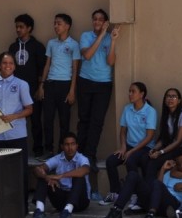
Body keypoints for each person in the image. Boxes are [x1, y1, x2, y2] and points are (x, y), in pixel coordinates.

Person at [0, 52, 34, 213]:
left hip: (17, 135)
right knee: (1, 174)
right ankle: (4, 207)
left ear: (15, 66)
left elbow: (29, 109)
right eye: (5, 63)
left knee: (19, 172)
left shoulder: (21, 84)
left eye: (11, 63)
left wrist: (14, 116)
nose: (8, 66)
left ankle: (22, 207)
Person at [99, 82, 157, 205]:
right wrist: (123, 147)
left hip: (145, 147)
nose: (130, 94)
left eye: (133, 91)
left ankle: (135, 194)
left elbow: (150, 136)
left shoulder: (150, 111)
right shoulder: (127, 109)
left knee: (130, 160)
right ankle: (115, 192)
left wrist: (131, 151)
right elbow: (123, 131)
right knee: (111, 161)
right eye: (129, 91)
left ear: (141, 94)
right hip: (129, 145)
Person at [77, 9, 119, 174]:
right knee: (84, 119)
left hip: (103, 84)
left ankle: (90, 156)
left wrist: (113, 40)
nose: (97, 22)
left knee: (97, 121)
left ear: (105, 22)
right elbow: (87, 55)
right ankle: (79, 155)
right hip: (85, 81)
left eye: (100, 19)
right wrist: (101, 35)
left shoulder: (110, 37)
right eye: (95, 19)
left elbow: (110, 62)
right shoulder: (86, 36)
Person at [38, 13, 80, 159]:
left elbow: (75, 69)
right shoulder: (51, 43)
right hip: (50, 84)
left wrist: (72, 90)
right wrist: (42, 85)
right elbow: (47, 65)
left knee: (64, 121)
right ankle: (48, 150)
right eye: (55, 23)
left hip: (65, 85)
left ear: (67, 26)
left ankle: (62, 153)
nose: (56, 26)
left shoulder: (74, 44)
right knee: (47, 119)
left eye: (59, 23)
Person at [31, 132, 91, 218]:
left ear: (77, 146)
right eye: (67, 144)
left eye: (73, 144)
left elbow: (85, 170)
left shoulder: (82, 158)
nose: (70, 148)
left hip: (80, 201)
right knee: (43, 176)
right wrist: (47, 178)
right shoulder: (58, 158)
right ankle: (39, 211)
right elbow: (37, 169)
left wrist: (61, 176)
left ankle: (67, 212)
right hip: (61, 200)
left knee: (79, 177)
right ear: (62, 146)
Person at [9, 13, 47, 158]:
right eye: (16, 27)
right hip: (15, 91)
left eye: (21, 27)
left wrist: (40, 87)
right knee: (16, 119)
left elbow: (42, 68)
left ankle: (38, 149)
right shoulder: (13, 47)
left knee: (36, 121)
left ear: (29, 28)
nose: (18, 29)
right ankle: (15, 150)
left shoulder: (37, 47)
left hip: (33, 90)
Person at [143, 88, 182, 183]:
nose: (170, 99)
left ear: (179, 100)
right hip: (171, 146)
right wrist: (154, 149)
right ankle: (145, 185)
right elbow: (164, 138)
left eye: (174, 96)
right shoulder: (167, 115)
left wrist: (160, 152)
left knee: (153, 164)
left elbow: (178, 141)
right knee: (145, 158)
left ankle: (150, 189)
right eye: (168, 96)